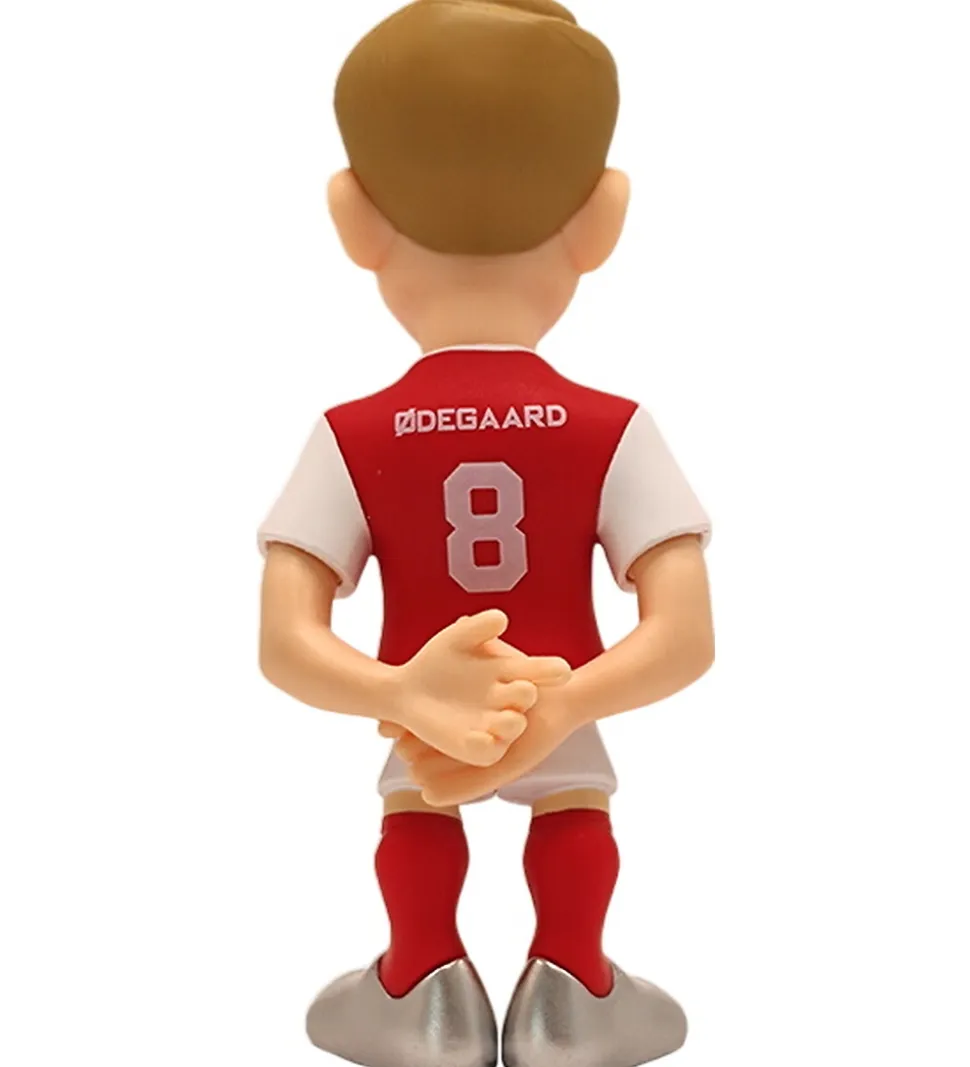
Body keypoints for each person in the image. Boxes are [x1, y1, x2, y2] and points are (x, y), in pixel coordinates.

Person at [257, 2, 714, 1065]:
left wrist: (404, 691)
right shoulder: (615, 428)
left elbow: (284, 640)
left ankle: (422, 988)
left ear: (353, 220)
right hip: (567, 684)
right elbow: (685, 633)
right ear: (601, 221)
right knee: (575, 806)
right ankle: (574, 990)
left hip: (421, 711)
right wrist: (567, 700)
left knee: (418, 807)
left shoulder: (349, 434)